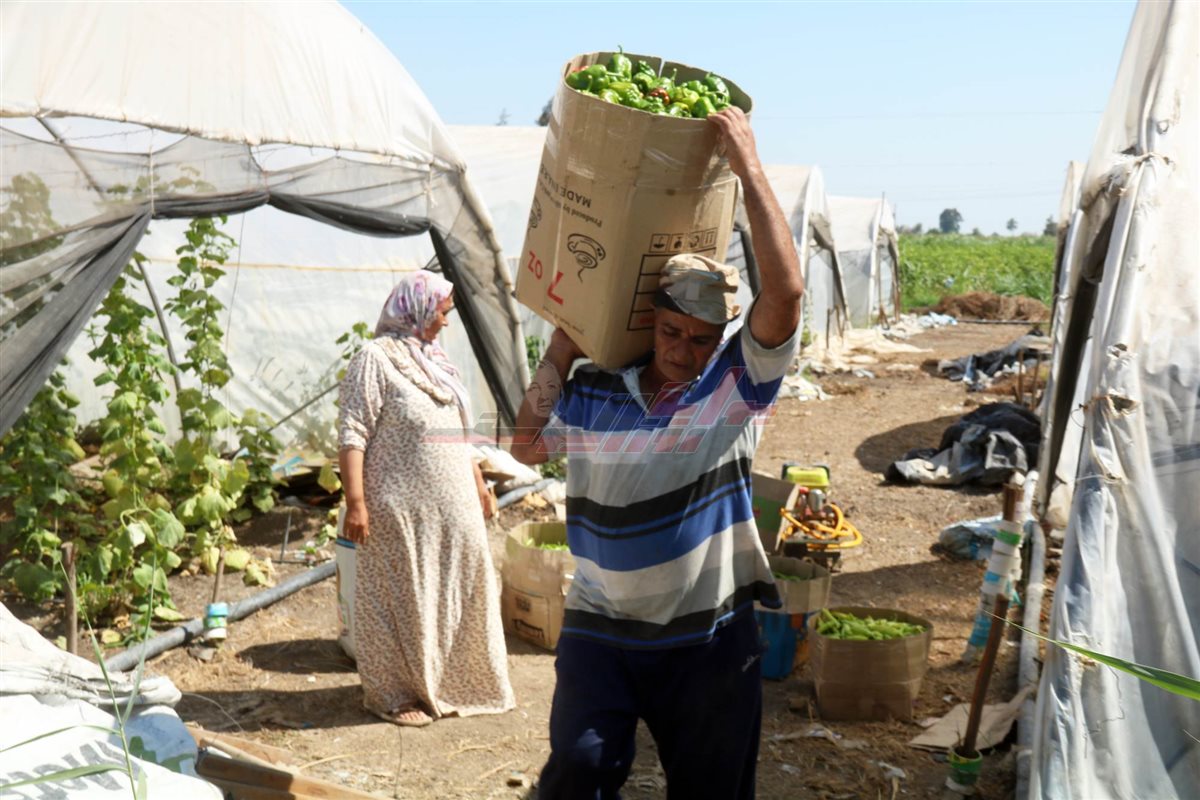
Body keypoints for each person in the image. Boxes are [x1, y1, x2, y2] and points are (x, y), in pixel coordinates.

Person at [510, 106, 803, 798]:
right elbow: (525, 444)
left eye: (700, 339)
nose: (681, 351)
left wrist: (747, 166)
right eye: (670, 332)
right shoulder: (595, 387)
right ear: (651, 322)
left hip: (707, 638)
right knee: (578, 769)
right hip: (600, 628)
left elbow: (786, 292)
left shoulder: (733, 389)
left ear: (721, 338)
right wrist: (562, 346)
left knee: (711, 788)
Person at [338, 270, 515, 728]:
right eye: (441, 312)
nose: (446, 322)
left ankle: (457, 683)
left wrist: (478, 482)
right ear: (415, 309)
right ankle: (394, 695)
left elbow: (458, 433)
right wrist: (356, 502)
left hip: (453, 506)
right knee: (399, 598)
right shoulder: (374, 359)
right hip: (398, 509)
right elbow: (353, 432)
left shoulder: (435, 361)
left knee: (462, 588)